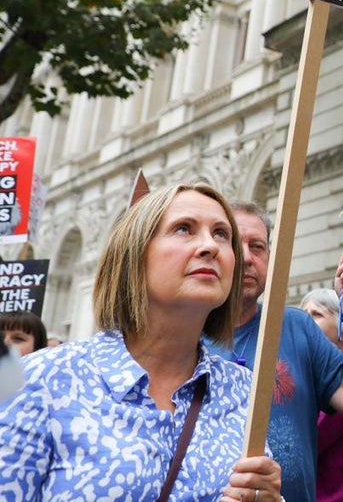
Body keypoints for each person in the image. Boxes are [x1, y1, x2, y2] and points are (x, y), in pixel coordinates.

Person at [0, 181, 281, 500]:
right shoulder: (38, 379)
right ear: (133, 254)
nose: (210, 246)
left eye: (221, 234)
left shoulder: (243, 390)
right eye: (184, 229)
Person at [204, 201, 343, 502]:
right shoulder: (185, 333)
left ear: (271, 259)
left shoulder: (297, 326)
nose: (248, 257)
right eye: (236, 244)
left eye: (258, 247)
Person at [300, 288, 343, 502]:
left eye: (317, 314)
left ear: (341, 328)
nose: (306, 322)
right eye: (304, 314)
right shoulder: (306, 372)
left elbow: (306, 439)